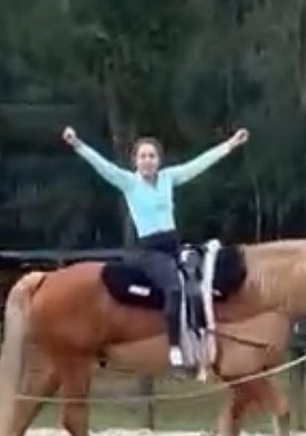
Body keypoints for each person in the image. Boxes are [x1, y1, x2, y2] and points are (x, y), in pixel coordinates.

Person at [62, 125, 249, 369]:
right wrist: (77, 144)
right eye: (143, 156)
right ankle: (175, 346)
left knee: (201, 281)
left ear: (159, 160)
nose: (148, 161)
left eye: (152, 156)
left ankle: (202, 335)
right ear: (135, 161)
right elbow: (103, 166)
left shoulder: (168, 178)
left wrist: (230, 145)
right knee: (173, 288)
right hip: (150, 251)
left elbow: (198, 165)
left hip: (174, 246)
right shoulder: (129, 182)